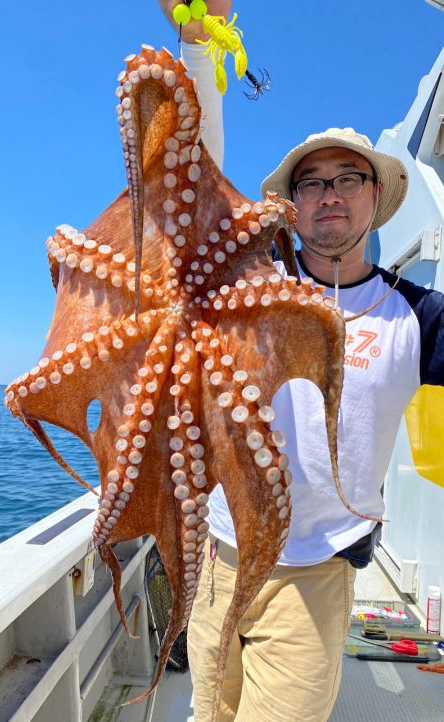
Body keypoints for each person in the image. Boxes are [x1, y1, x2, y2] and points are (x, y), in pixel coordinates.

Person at [158, 3, 444, 720]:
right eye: (312, 183)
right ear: (291, 205)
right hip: (219, 557)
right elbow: (197, 187)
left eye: (348, 178)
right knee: (206, 713)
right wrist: (198, 45)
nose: (330, 195)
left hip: (314, 574)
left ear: (376, 198)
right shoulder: (253, 291)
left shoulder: (419, 315)